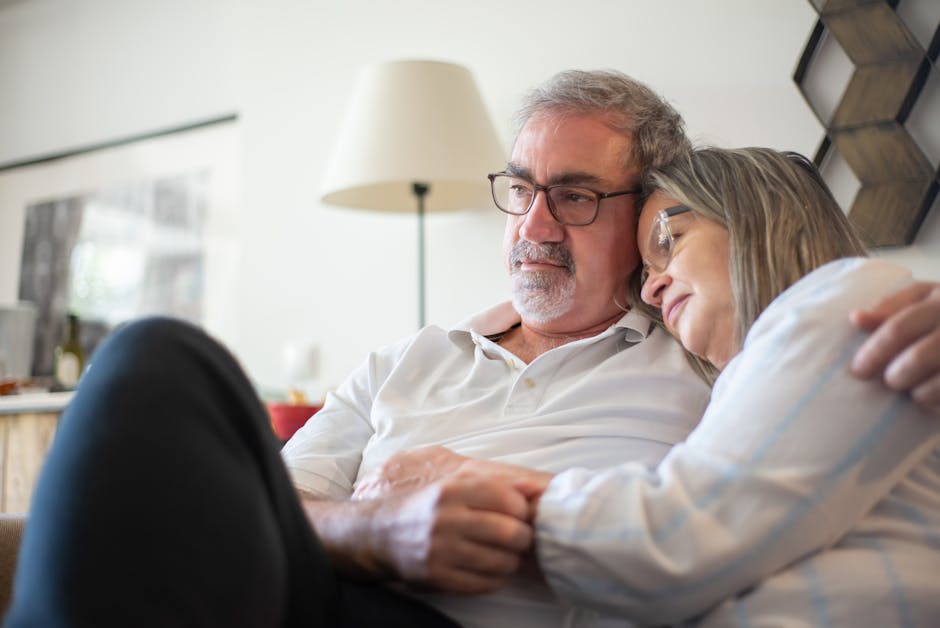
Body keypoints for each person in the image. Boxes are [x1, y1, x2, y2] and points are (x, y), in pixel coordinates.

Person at [6, 70, 940, 626]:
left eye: (574, 195)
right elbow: (274, 504)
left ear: (652, 209)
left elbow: (834, 382)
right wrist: (375, 532)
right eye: (521, 187)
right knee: (154, 360)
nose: (534, 222)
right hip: (313, 596)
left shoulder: (707, 350)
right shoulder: (411, 357)